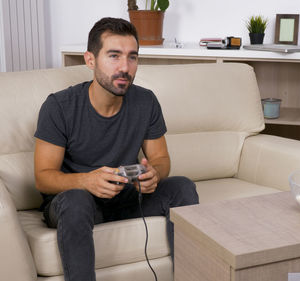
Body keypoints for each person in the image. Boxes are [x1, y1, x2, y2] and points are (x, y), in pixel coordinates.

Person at [34, 17, 199, 281]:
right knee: (77, 200)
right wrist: (87, 181)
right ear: (90, 60)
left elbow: (160, 158)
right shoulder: (59, 107)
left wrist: (153, 174)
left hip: (125, 196)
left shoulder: (146, 101)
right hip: (76, 203)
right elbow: (43, 176)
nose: (125, 67)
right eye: (114, 56)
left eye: (132, 57)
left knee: (182, 187)